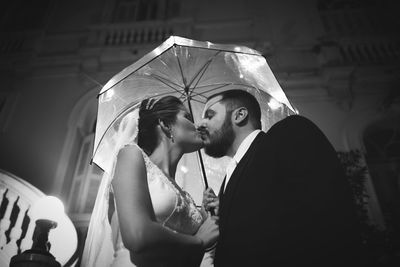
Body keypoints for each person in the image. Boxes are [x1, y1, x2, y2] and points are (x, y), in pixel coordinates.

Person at [199, 90, 363, 266]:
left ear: (239, 115)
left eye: (209, 115)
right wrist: (223, 214)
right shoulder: (227, 181)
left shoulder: (289, 134)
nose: (200, 124)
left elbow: (331, 220)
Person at [82, 96, 219, 267]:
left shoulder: (188, 198)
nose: (197, 125)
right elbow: (137, 234)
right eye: (188, 117)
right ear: (165, 124)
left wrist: (208, 218)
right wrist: (199, 241)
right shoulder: (131, 155)